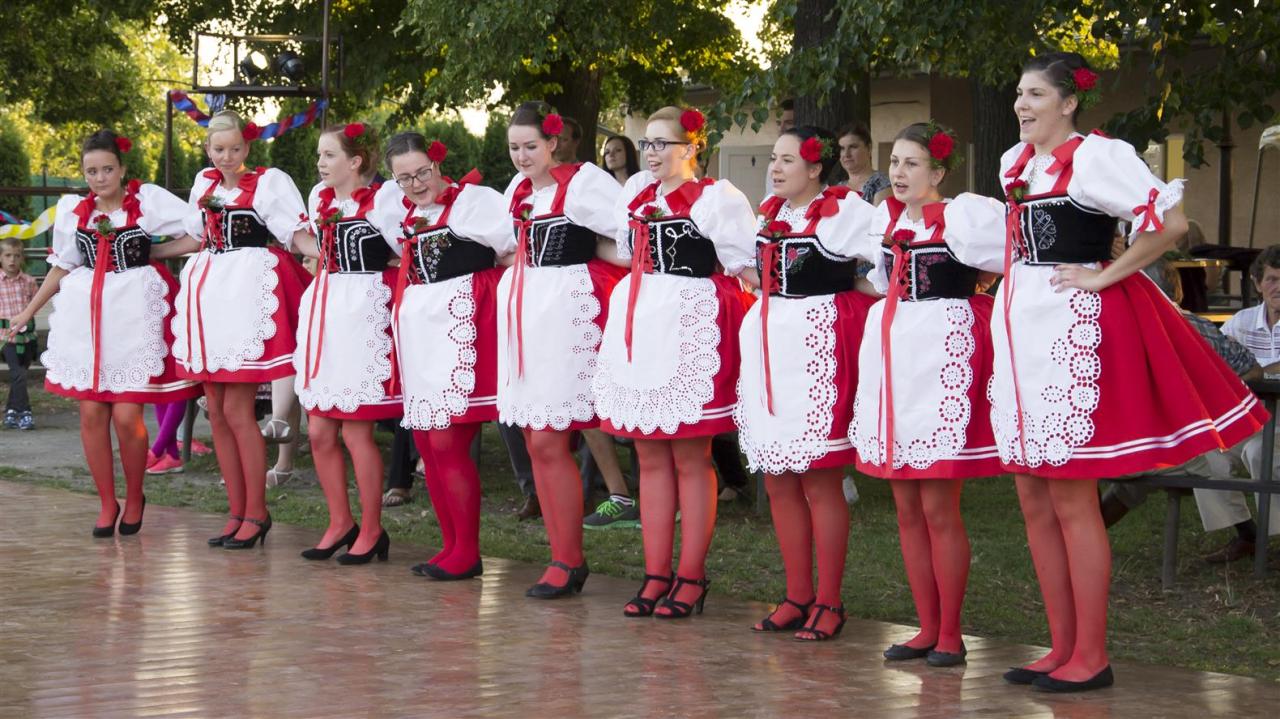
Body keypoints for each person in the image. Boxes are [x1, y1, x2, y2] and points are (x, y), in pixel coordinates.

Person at [991, 52, 1266, 692]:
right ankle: (1060, 647)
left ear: (1068, 103)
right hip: (1022, 331)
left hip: (1069, 330)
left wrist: (1105, 276)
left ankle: (1091, 655)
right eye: (1019, 94)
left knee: (1070, 494)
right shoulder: (1015, 162)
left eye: (1035, 94)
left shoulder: (1098, 157)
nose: (1022, 105)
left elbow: (1170, 225)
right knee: (1032, 495)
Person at [850, 121, 1005, 665]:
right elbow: (877, 282)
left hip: (940, 358)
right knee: (906, 508)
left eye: (912, 163)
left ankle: (951, 633)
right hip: (894, 358)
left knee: (939, 506)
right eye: (895, 162)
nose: (899, 172)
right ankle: (926, 625)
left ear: (938, 172)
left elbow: (1005, 261)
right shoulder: (886, 222)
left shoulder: (962, 217)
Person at [593, 106, 756, 618]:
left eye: (662, 143)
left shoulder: (716, 198)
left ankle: (690, 575)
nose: (652, 152)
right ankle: (655, 572)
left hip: (687, 323)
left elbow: (742, 266)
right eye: (648, 143)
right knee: (649, 456)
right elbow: (627, 255)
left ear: (691, 148)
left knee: (690, 455)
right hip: (641, 324)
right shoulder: (637, 194)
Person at [3, 129, 202, 536]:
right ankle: (107, 502)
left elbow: (199, 230)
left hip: (132, 315)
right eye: (91, 171)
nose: (99, 178)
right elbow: (62, 265)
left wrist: (157, 251)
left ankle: (135, 497)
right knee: (92, 413)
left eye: (107, 169)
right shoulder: (74, 211)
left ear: (122, 169)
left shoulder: (146, 202)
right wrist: (27, 311)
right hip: (89, 320)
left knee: (128, 416)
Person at [735, 126, 877, 641]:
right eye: (774, 159)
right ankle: (797, 595)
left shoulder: (845, 212)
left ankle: (830, 600)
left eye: (787, 160)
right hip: (771, 347)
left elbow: (888, 263)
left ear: (815, 168)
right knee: (778, 478)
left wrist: (855, 288)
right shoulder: (771, 213)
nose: (775, 168)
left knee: (819, 479)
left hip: (815, 348)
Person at [498, 101, 628, 598]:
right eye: (515, 147)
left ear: (553, 142)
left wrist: (600, 255)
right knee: (535, 440)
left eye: (531, 145)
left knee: (551, 439)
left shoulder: (584, 182)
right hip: (527, 317)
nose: (522, 156)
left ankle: (568, 559)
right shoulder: (518, 189)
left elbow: (623, 235)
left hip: (565, 315)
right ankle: (562, 554)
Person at [166, 110, 313, 549]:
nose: (227, 156)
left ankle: (257, 512)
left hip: (245, 295)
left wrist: (325, 250)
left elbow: (293, 235)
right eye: (219, 149)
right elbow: (195, 237)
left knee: (237, 410)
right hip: (210, 297)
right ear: (208, 149)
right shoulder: (204, 184)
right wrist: (150, 252)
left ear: (247, 147)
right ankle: (236, 511)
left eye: (234, 148)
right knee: (215, 408)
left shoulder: (268, 183)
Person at [369, 132, 512, 580]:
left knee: (449, 442)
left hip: (461, 325)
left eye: (422, 173)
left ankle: (467, 552)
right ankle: (449, 546)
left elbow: (511, 253)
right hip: (421, 331)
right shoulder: (400, 209)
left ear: (437, 163)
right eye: (404, 178)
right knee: (428, 445)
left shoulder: (474, 203)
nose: (416, 185)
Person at [290, 122, 401, 564]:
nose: (320, 163)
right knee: (319, 430)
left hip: (362, 309)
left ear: (355, 161)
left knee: (356, 430)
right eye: (319, 154)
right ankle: (340, 521)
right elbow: (308, 240)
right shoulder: (320, 198)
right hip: (325, 307)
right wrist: (315, 254)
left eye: (329, 155)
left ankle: (372, 529)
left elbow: (406, 248)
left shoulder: (384, 198)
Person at [1203, 245, 1280, 561]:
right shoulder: (1241, 321)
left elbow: (1250, 371)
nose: (1278, 287)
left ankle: (1276, 538)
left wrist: (1259, 371)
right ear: (1258, 283)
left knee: (1260, 452)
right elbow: (1219, 361)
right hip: (1250, 417)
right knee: (1205, 449)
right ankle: (1246, 533)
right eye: (1272, 279)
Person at [0, 237, 38, 430]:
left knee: (20, 376)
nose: (12, 260)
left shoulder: (29, 282)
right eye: (7, 255)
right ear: (1, 257)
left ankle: (11, 411)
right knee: (18, 374)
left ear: (22, 258)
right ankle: (25, 412)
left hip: (27, 338)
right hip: (6, 338)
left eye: (16, 256)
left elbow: (36, 304)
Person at [837, 124, 890, 204]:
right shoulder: (839, 187)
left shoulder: (881, 183)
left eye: (853, 147)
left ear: (869, 148)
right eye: (842, 148)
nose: (846, 154)